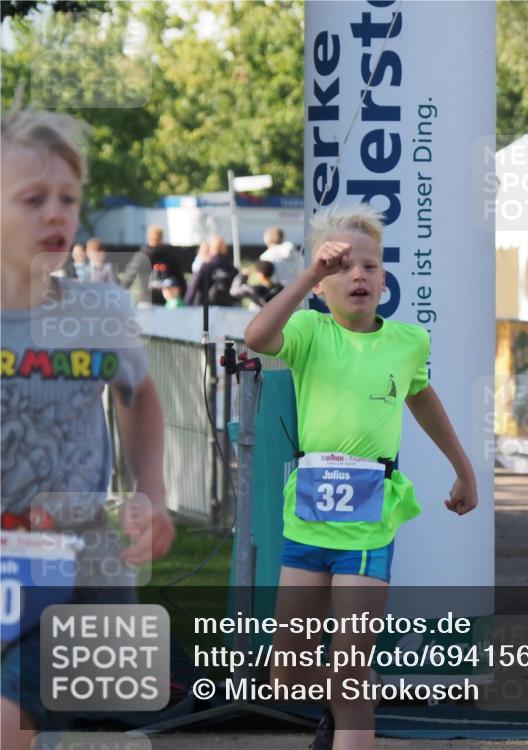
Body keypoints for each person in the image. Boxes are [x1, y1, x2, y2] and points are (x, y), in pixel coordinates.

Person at [243, 203, 477, 750]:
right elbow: (255, 337)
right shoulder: (308, 330)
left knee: (350, 664)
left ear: (385, 280)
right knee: (287, 674)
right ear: (321, 286)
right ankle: (345, 701)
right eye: (342, 267)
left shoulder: (407, 342)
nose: (358, 276)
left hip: (369, 520)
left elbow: (422, 399)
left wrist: (463, 469)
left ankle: (351, 703)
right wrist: (307, 273)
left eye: (370, 266)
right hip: (308, 517)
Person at [1, 101, 175, 750]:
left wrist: (151, 489)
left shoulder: (99, 309)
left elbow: (140, 394)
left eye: (68, 199)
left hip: (80, 566)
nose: (56, 214)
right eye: (32, 199)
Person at [120, 224, 187, 305]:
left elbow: (128, 277)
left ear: (149, 237)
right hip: (166, 301)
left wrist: (120, 294)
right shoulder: (170, 255)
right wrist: (184, 297)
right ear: (162, 238)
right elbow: (180, 279)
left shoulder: (141, 256)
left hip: (146, 299)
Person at [185, 234, 238, 307]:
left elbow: (193, 287)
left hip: (206, 307)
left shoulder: (205, 267)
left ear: (210, 248)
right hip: (227, 306)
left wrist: (187, 303)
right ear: (224, 248)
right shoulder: (231, 268)